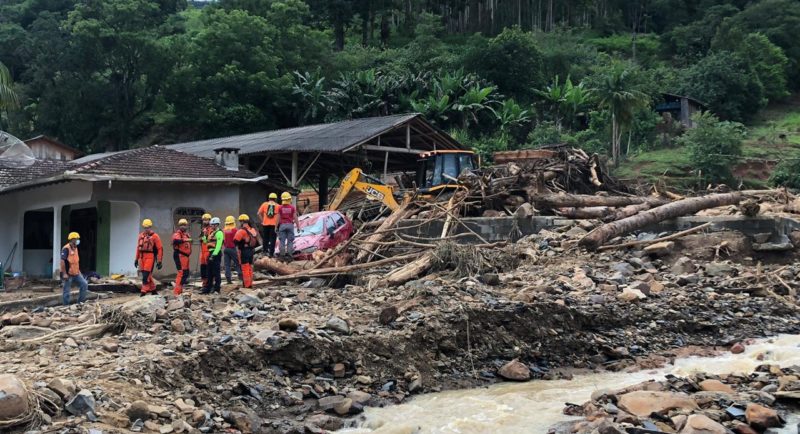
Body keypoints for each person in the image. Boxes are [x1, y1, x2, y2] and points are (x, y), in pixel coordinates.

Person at [135, 219, 163, 296]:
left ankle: (143, 291)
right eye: (145, 227)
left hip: (150, 257)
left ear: (150, 227)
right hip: (141, 257)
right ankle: (153, 290)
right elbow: (138, 248)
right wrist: (136, 259)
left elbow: (160, 248)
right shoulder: (141, 236)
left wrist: (159, 260)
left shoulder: (155, 236)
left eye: (148, 227)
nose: (146, 229)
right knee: (147, 275)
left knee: (146, 275)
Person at [60, 232, 89, 305]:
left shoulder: (75, 248)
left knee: (84, 284)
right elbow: (62, 261)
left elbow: (76, 261)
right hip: (68, 274)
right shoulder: (66, 248)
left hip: (76, 273)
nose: (78, 240)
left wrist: (79, 271)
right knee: (66, 291)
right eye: (76, 239)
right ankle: (66, 306)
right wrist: (64, 273)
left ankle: (80, 303)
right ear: (72, 239)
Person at [234, 214, 260, 288]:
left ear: (242, 222)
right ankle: (250, 283)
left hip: (244, 251)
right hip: (251, 251)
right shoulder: (252, 230)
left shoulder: (242, 231)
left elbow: (235, 241)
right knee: (250, 267)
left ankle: (247, 284)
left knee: (244, 268)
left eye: (240, 221)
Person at [201, 217, 224, 294]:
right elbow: (205, 241)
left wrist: (214, 255)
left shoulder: (219, 233)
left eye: (213, 225)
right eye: (211, 225)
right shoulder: (211, 233)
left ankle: (217, 288)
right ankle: (208, 288)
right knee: (209, 272)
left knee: (216, 272)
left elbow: (218, 245)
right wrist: (204, 235)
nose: (212, 226)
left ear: (217, 225)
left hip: (216, 254)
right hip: (210, 253)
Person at [171, 219, 192, 296]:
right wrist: (185, 239)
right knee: (181, 273)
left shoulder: (187, 234)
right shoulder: (177, 234)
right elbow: (176, 241)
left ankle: (180, 289)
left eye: (184, 225)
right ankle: (176, 292)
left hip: (186, 257)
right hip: (179, 255)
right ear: (179, 226)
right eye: (181, 225)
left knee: (186, 273)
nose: (183, 226)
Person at [257, 193, 280, 257]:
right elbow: (278, 216)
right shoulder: (278, 206)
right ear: (275, 199)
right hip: (273, 225)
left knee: (265, 238)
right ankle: (271, 253)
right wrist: (276, 225)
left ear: (269, 198)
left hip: (265, 225)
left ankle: (264, 251)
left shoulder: (264, 204)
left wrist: (262, 221)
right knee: (273, 239)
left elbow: (258, 213)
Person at [277, 192, 299, 261]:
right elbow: (295, 217)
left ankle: (282, 256)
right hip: (290, 225)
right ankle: (289, 256)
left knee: (282, 241)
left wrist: (275, 227)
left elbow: (278, 217)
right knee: (290, 242)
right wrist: (298, 227)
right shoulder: (292, 207)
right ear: (289, 199)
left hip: (282, 225)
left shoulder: (280, 207)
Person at [222, 215, 242, 284]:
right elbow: (237, 240)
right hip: (232, 249)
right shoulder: (235, 230)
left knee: (227, 265)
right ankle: (240, 276)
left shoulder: (223, 230)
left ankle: (228, 280)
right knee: (237, 263)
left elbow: (223, 240)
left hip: (226, 249)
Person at [199, 213, 212, 289]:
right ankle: (204, 283)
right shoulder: (203, 229)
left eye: (206, 220)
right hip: (202, 251)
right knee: (203, 268)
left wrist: (204, 237)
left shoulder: (211, 230)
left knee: (209, 268)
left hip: (208, 251)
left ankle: (209, 284)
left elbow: (208, 240)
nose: (204, 221)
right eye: (204, 220)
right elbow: (201, 239)